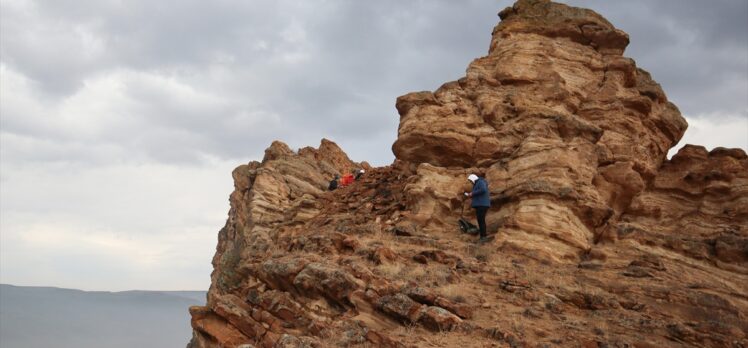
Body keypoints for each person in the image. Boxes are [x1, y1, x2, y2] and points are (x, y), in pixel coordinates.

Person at [464, 173, 490, 243]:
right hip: (481, 204)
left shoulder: (480, 181)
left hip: (482, 204)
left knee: (481, 221)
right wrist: (471, 194)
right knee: (480, 221)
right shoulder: (478, 183)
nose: (471, 182)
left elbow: (483, 189)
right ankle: (483, 236)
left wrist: (472, 193)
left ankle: (483, 237)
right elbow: (479, 192)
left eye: (470, 180)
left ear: (473, 178)